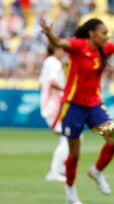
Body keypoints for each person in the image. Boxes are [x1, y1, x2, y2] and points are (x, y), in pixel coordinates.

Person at [40, 18, 114, 203]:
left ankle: (96, 172)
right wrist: (49, 33)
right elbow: (58, 43)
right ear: (92, 33)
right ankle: (70, 188)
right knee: (74, 153)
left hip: (94, 105)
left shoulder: (104, 49)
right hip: (73, 106)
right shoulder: (78, 45)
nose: (107, 36)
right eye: (104, 33)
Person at [39, 44, 68, 182]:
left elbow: (41, 83)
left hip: (49, 104)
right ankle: (55, 171)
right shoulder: (55, 63)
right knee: (67, 138)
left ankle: (60, 169)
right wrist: (66, 90)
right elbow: (52, 81)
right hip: (54, 106)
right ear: (56, 49)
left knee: (68, 137)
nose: (63, 51)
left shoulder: (47, 62)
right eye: (62, 49)